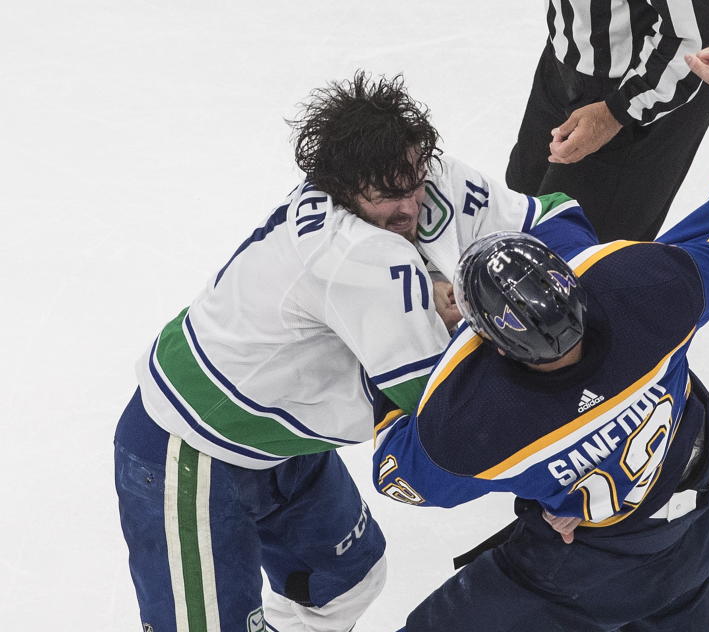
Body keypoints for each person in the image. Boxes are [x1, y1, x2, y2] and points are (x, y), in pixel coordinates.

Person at [113, 72, 587, 632]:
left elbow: (553, 219)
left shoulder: (419, 178)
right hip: (189, 449)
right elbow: (449, 415)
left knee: (344, 583)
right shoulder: (353, 255)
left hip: (286, 438)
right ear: (339, 187)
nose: (410, 204)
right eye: (387, 194)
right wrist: (557, 483)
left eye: (412, 180)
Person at [373, 41, 709, 631]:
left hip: (588, 574)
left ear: (496, 347)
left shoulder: (476, 424)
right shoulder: (649, 291)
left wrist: (382, 364)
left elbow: (401, 480)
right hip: (704, 517)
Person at [506, 0, 709, 244]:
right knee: (519, 209)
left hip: (644, 90)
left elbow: (702, 31)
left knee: (572, 249)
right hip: (566, 61)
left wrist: (616, 112)